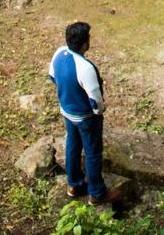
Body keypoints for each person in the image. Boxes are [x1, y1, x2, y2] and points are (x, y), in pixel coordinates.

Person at [48, 22, 121, 206]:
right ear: (84, 44)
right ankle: (96, 192)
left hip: (67, 111)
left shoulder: (59, 53)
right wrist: (98, 112)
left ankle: (74, 185)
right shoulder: (85, 67)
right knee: (92, 153)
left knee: (72, 145)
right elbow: (95, 98)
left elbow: (52, 76)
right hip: (86, 118)